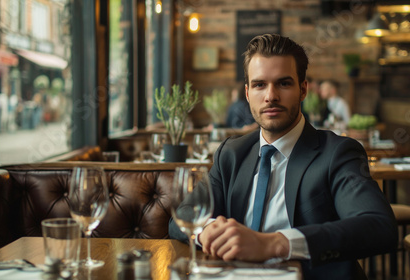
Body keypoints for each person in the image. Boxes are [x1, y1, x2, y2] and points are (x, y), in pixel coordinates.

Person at [169, 34, 397, 279]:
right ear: (247, 93)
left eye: (284, 83)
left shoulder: (337, 153)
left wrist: (274, 244)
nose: (271, 96)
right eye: (259, 85)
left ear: (303, 89)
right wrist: (208, 231)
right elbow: (182, 217)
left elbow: (379, 227)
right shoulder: (231, 153)